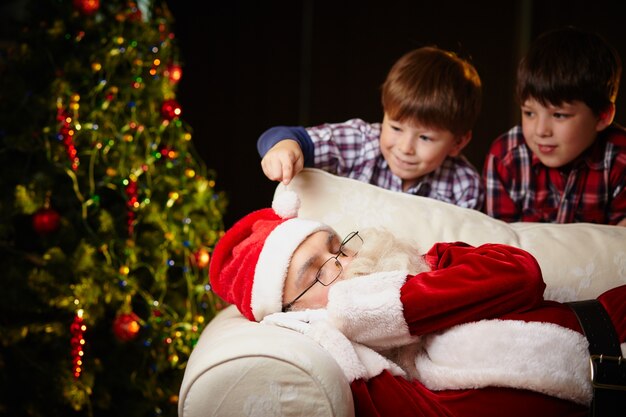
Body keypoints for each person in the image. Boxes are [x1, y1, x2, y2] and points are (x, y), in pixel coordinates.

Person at [209, 191, 626, 417]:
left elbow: (523, 275)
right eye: (317, 272)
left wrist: (395, 303)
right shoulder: (367, 370)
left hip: (614, 319)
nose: (346, 262)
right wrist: (347, 322)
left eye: (337, 247)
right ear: (295, 314)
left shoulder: (425, 264)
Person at [257, 46, 484, 209]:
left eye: (425, 138)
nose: (405, 148)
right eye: (396, 128)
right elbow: (289, 136)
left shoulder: (464, 186)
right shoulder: (361, 141)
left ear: (458, 143)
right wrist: (283, 148)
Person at [483, 26, 626, 225]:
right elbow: (501, 241)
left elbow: (620, 245)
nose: (541, 131)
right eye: (529, 113)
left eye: (559, 115)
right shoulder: (505, 158)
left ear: (602, 116)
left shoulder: (620, 158)